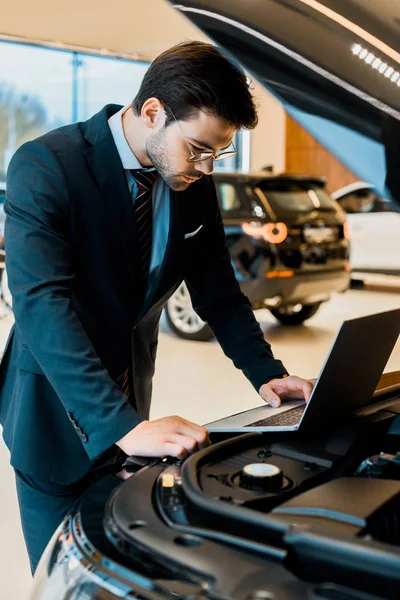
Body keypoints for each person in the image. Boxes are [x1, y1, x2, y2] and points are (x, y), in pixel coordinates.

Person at [0, 41, 315, 573]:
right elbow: (43, 306)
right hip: (54, 416)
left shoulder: (189, 180)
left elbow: (219, 292)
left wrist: (269, 375)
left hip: (132, 413)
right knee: (64, 577)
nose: (207, 166)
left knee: (124, 569)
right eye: (199, 148)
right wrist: (120, 425)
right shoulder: (45, 165)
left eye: (219, 153)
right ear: (152, 112)